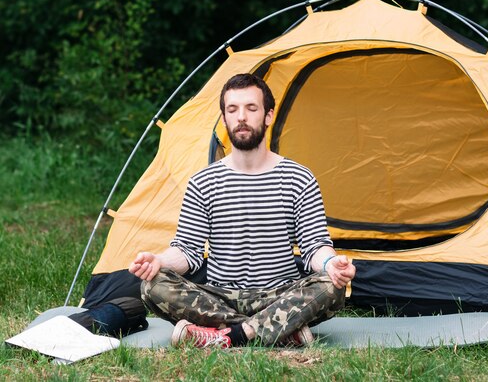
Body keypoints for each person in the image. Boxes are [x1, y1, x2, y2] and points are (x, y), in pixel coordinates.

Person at [129, 73, 356, 349]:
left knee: (332, 285)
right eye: (232, 110)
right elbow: (187, 251)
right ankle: (280, 330)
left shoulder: (299, 178)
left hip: (280, 294)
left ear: (268, 115)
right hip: (218, 298)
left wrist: (331, 264)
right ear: (224, 119)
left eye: (251, 108)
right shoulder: (203, 182)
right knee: (152, 285)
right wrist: (158, 261)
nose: (241, 117)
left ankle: (228, 336)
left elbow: (313, 247)